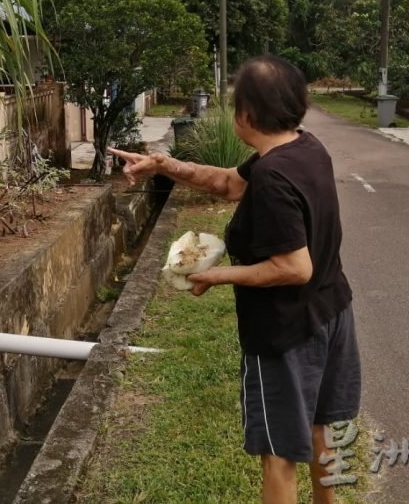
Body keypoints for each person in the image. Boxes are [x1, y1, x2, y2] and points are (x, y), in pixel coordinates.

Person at [109, 54, 361, 504]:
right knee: (324, 428)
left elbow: (294, 268)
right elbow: (228, 183)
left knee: (279, 454)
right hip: (331, 313)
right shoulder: (305, 147)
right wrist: (165, 165)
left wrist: (216, 274)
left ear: (245, 115)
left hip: (286, 332)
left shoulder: (273, 177)